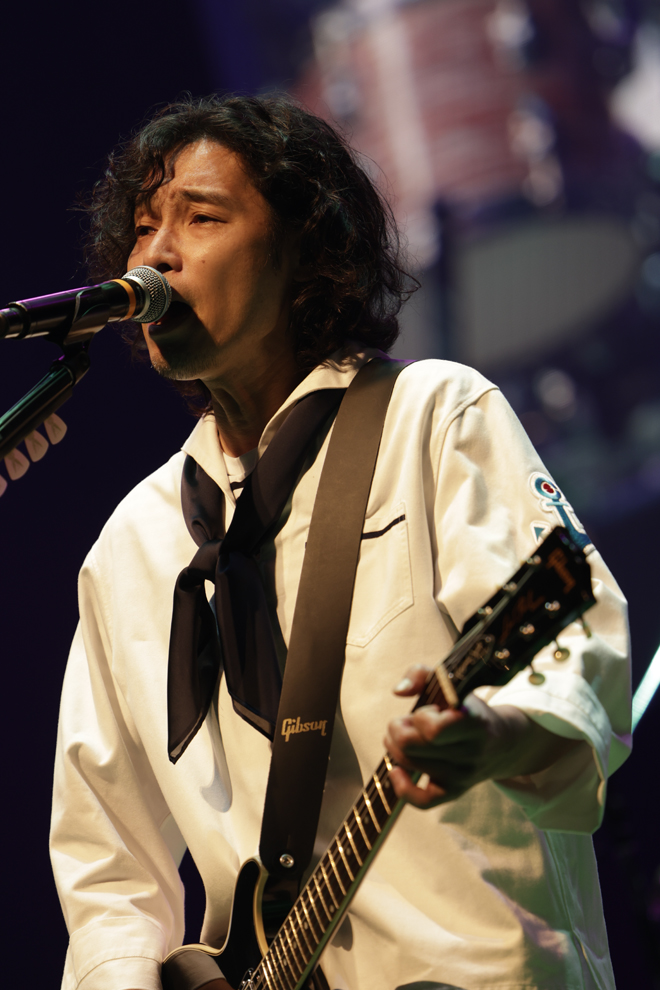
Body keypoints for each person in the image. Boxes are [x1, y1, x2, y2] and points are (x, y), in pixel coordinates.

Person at [50, 95, 631, 990]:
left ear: (304, 249)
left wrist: (498, 735)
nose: (156, 254)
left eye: (201, 217)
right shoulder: (134, 544)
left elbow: (576, 659)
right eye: (142, 227)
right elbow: (105, 864)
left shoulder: (432, 418)